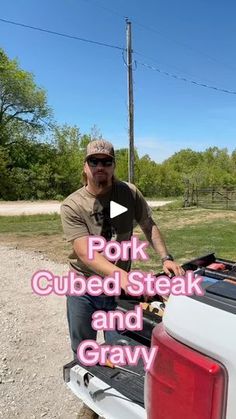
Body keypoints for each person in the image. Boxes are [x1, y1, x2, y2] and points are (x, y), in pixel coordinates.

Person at [60, 139, 184, 418]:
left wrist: (166, 257)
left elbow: (148, 225)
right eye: (94, 161)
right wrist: (122, 275)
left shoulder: (128, 193)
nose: (100, 166)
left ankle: (117, 403)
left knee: (121, 347)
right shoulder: (72, 205)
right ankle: (89, 399)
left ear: (114, 165)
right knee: (85, 349)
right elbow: (84, 252)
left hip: (118, 292)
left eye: (106, 161)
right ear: (85, 166)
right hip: (84, 289)